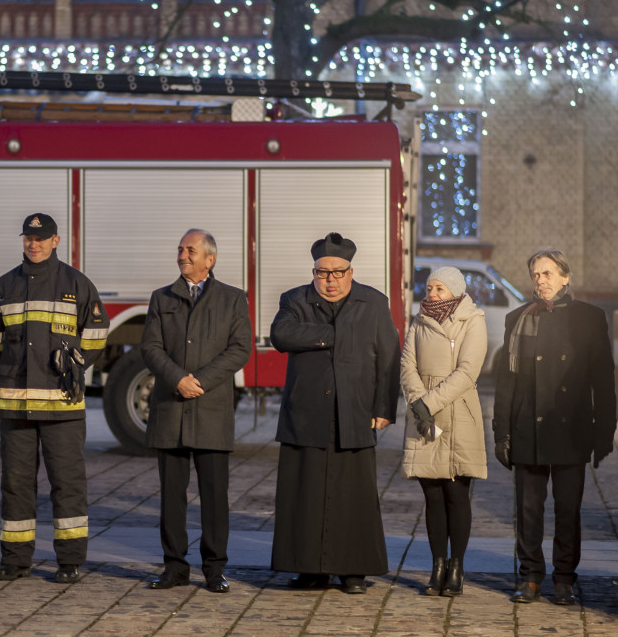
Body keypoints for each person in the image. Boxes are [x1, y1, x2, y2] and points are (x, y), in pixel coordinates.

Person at [269, 232, 400, 594]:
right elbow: (281, 334)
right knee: (303, 496)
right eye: (322, 273)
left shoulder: (373, 303)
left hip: (355, 411)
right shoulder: (294, 299)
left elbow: (389, 357)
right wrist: (334, 333)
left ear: (350, 271)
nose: (330, 280)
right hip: (306, 413)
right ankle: (308, 569)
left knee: (353, 497)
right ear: (313, 272)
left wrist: (385, 406)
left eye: (337, 273)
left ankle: (353, 570)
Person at [0, 213, 109, 583]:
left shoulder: (77, 283)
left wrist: (76, 363)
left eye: (41, 238)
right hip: (15, 404)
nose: (33, 243)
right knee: (16, 482)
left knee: (67, 483)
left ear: (56, 241)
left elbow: (98, 332)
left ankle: (70, 561)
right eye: (28, 237)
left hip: (62, 404)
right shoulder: (4, 285)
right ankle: (15, 560)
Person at [493, 248, 616, 605]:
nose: (540, 280)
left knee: (568, 510)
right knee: (528, 510)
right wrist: (502, 433)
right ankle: (530, 576)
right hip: (527, 426)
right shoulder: (518, 318)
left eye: (547, 273)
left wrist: (604, 430)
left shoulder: (589, 317)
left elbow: (602, 379)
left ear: (565, 277)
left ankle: (564, 578)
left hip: (571, 428)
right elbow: (506, 382)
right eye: (535, 274)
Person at [140, 229, 252, 593]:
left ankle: (214, 569)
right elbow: (151, 348)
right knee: (172, 495)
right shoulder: (161, 298)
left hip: (211, 410)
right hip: (170, 411)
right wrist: (177, 380)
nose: (182, 255)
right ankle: (174, 567)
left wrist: (198, 381)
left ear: (210, 259)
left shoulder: (233, 299)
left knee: (215, 497)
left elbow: (240, 350)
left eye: (190, 250)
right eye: (180, 249)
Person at [400, 266, 488, 597]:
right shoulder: (419, 322)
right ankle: (437, 564)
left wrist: (429, 403)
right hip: (423, 414)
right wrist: (418, 404)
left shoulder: (472, 320)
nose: (432, 294)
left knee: (456, 493)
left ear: (454, 291)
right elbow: (407, 367)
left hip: (457, 413)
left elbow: (467, 372)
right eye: (429, 288)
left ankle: (457, 566)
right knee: (432, 495)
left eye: (439, 289)